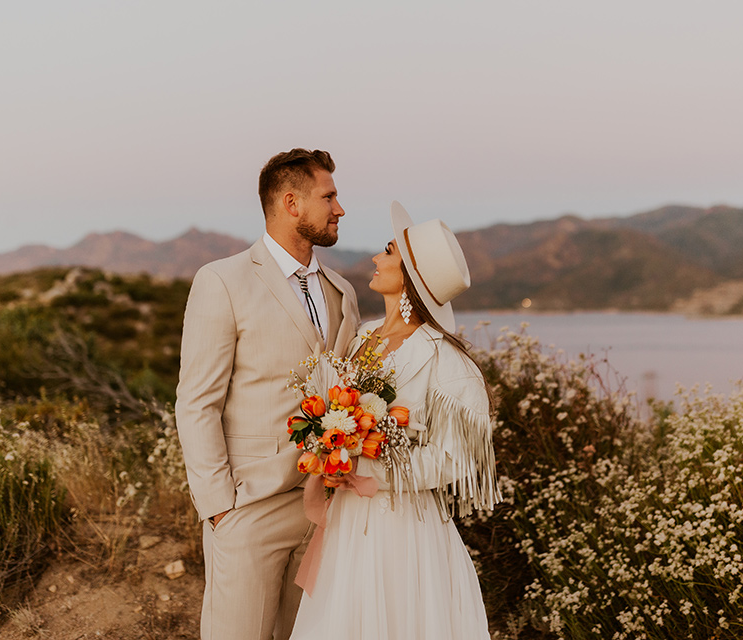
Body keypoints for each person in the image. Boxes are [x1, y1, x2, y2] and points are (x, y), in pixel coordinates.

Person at [289, 201, 501, 640]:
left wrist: (372, 470)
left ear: (412, 277)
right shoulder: (362, 336)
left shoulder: (447, 360)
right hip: (348, 520)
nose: (375, 257)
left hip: (404, 528)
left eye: (388, 251)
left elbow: (454, 460)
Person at [176, 148, 360, 640]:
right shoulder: (223, 281)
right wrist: (220, 508)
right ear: (291, 202)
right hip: (249, 507)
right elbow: (197, 403)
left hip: (324, 507)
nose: (340, 208)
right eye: (330, 196)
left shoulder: (342, 291)